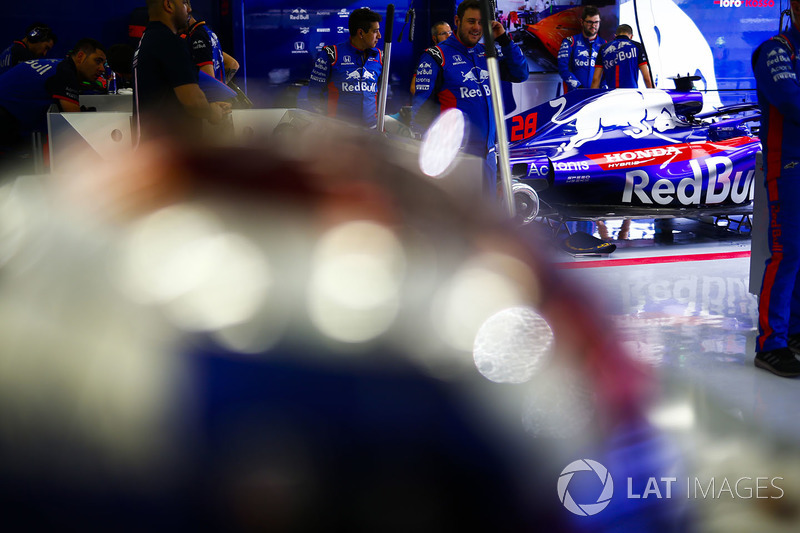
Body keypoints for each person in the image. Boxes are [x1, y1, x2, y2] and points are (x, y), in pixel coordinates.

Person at [411, 0, 529, 194]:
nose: (476, 28)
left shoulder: (487, 54)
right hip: (455, 157)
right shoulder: (436, 56)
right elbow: (420, 111)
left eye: (482, 23)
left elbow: (520, 73)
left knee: (484, 220)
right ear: (457, 20)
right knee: (456, 221)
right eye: (471, 21)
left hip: (488, 155)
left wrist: (504, 39)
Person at [752, 0, 800, 377]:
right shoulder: (776, 50)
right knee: (788, 252)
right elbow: (789, 100)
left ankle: (795, 332)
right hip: (788, 167)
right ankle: (771, 343)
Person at [133, 0, 231, 145]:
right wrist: (212, 112)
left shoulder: (147, 40)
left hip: (153, 147)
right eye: (185, 3)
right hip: (170, 151)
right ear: (168, 5)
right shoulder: (169, 42)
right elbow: (192, 100)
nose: (190, 9)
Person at [0, 38, 106, 167]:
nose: (102, 69)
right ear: (80, 56)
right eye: (98, 61)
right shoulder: (66, 72)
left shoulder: (59, 65)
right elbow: (75, 120)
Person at [306, 7, 383, 129]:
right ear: (361, 33)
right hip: (339, 133)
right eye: (375, 31)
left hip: (371, 132)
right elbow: (313, 95)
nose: (379, 35)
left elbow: (380, 94)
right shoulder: (331, 54)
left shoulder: (380, 56)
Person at [182, 0, 239, 84]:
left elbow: (207, 82)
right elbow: (233, 64)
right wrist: (220, 88)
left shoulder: (197, 36)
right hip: (216, 96)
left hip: (207, 96)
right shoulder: (208, 33)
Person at [556, 5, 605, 93]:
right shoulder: (570, 42)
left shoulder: (605, 45)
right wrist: (579, 88)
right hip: (574, 95)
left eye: (596, 22)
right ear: (582, 22)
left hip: (597, 96)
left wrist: (601, 89)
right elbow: (563, 69)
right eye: (590, 22)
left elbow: (609, 72)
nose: (593, 25)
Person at [591, 24, 653, 89]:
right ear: (631, 36)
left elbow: (596, 79)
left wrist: (591, 97)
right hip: (631, 94)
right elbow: (647, 78)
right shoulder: (637, 46)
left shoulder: (603, 48)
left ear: (615, 36)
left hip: (611, 95)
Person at [409, 22, 453, 96]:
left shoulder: (458, 53)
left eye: (450, 32)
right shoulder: (430, 57)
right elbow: (414, 88)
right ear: (434, 38)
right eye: (443, 33)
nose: (448, 36)